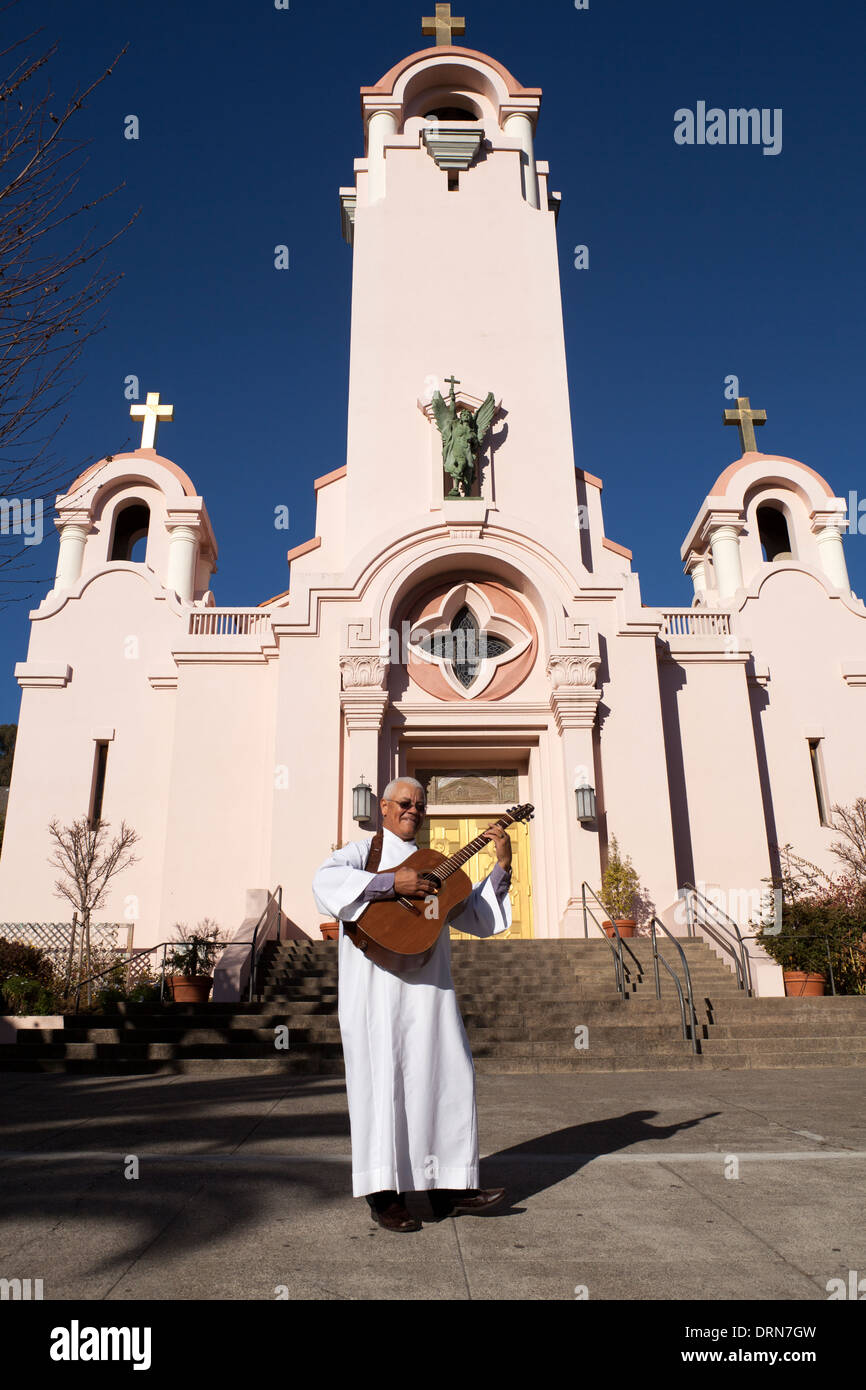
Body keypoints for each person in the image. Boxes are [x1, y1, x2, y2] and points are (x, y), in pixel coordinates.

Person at [312, 776, 513, 1232]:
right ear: (383, 807)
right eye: (404, 803)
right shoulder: (362, 854)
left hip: (431, 991)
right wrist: (388, 884)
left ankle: (450, 1188)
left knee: (447, 1075)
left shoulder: (438, 863)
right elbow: (324, 883)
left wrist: (501, 866)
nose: (413, 811)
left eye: (420, 806)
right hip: (375, 993)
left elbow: (478, 915)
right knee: (383, 1085)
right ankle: (385, 1195)